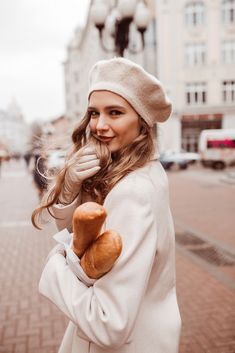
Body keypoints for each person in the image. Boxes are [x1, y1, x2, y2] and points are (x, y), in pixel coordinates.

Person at [32, 57, 181, 353]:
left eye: (115, 112)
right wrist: (71, 190)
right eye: (93, 113)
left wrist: (54, 265)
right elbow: (88, 244)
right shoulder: (141, 171)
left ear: (142, 121)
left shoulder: (132, 192)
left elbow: (108, 322)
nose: (99, 125)